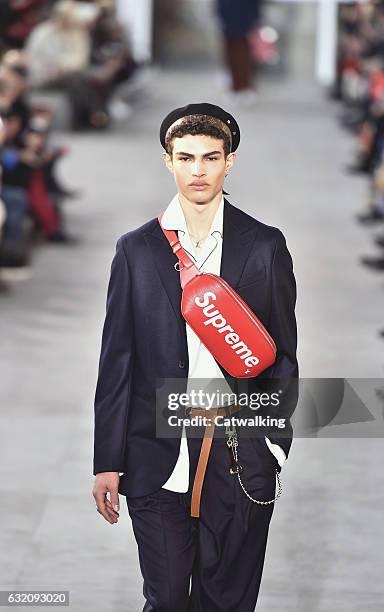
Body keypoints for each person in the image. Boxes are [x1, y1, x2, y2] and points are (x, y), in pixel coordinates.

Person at [92, 102, 298, 611]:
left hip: (237, 451)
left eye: (210, 157)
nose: (199, 170)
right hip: (154, 454)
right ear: (168, 161)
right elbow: (117, 361)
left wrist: (270, 447)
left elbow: (283, 355)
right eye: (186, 158)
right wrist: (107, 461)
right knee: (166, 599)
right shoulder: (136, 251)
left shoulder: (264, 246)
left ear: (230, 161)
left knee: (227, 600)